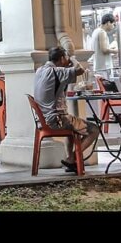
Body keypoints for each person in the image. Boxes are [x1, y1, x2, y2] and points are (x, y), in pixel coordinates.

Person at [32, 46, 101, 174]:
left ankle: (72, 161)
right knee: (94, 129)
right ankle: (73, 158)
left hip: (43, 120)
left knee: (72, 125)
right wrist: (73, 59)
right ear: (63, 58)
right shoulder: (56, 71)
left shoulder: (40, 70)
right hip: (56, 120)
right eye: (66, 58)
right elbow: (79, 70)